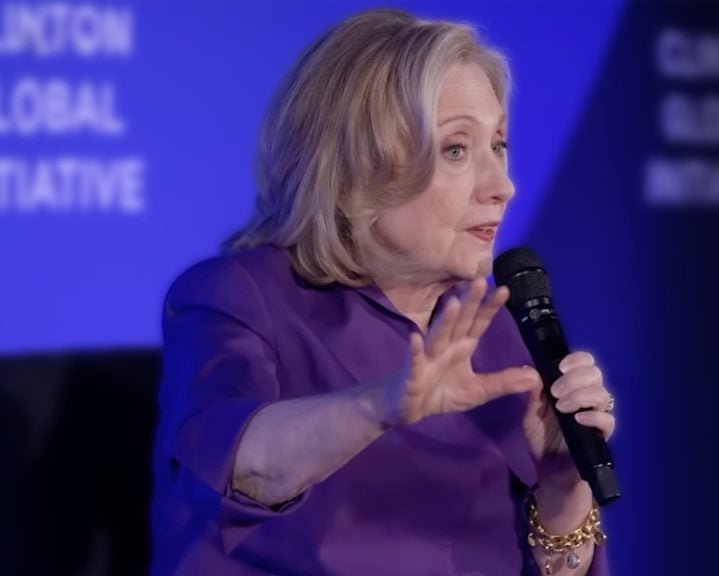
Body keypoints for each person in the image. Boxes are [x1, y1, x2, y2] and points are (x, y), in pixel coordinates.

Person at [150, 9, 617, 575]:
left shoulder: (497, 328)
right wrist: (382, 404)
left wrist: (564, 483)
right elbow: (237, 466)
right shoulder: (239, 298)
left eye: (497, 145)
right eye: (455, 150)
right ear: (354, 167)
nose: (502, 186)